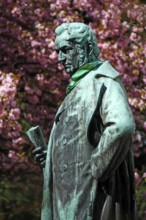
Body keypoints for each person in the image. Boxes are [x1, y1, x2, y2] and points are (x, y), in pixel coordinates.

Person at [33, 22, 136, 220]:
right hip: (69, 203)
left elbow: (122, 126)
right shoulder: (78, 89)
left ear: (87, 48)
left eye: (65, 50)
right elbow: (79, 146)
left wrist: (97, 167)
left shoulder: (102, 81)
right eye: (58, 52)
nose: (60, 59)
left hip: (91, 201)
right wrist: (52, 160)